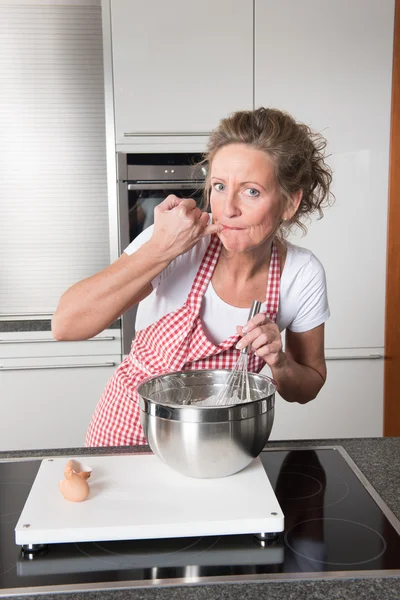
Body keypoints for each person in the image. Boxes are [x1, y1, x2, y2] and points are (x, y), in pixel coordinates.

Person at [52, 107, 332, 447]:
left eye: (251, 191)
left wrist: (279, 361)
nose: (227, 208)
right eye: (219, 186)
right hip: (128, 432)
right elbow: (65, 325)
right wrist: (160, 249)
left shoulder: (300, 274)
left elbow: (309, 384)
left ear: (289, 203)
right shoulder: (175, 242)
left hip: (218, 445)